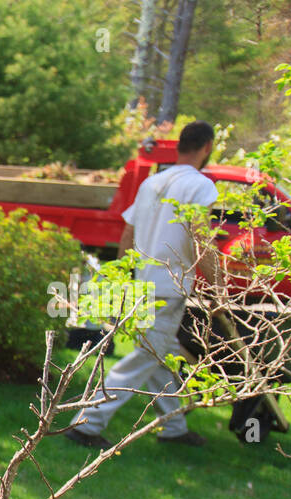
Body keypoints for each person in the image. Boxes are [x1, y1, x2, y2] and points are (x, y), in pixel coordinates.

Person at [66, 120, 220, 450]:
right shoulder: (201, 186)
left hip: (144, 282)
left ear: (179, 145)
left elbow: (127, 233)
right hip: (169, 285)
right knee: (145, 357)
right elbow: (201, 236)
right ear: (207, 147)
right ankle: (86, 424)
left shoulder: (152, 183)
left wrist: (125, 275)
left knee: (158, 357)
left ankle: (175, 428)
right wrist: (217, 282)